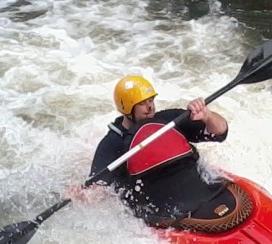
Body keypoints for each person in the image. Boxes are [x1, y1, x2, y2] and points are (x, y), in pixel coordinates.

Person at [88, 74, 248, 231]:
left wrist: (207, 116)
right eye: (142, 103)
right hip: (160, 205)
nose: (150, 107)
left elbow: (220, 131)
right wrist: (85, 193)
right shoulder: (112, 143)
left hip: (192, 187)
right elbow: (97, 191)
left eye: (151, 100)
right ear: (127, 108)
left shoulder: (168, 120)